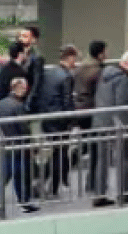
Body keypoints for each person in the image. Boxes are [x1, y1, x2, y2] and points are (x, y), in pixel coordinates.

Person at [0, 78, 40, 218]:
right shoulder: (19, 106)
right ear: (20, 89)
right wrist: (31, 145)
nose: (25, 91)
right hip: (18, 145)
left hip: (4, 145)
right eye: (24, 88)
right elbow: (24, 128)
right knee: (8, 177)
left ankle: (24, 202)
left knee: (15, 175)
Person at [92, 51, 128, 206]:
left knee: (102, 160)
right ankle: (125, 192)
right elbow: (123, 105)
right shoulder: (124, 79)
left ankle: (99, 194)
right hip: (117, 125)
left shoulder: (104, 75)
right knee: (127, 158)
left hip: (101, 122)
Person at [41, 45, 78, 197]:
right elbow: (67, 101)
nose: (75, 62)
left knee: (56, 152)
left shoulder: (50, 73)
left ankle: (49, 182)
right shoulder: (67, 77)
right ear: (70, 58)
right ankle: (53, 186)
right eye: (75, 59)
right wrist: (71, 120)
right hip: (60, 121)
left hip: (48, 118)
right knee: (60, 154)